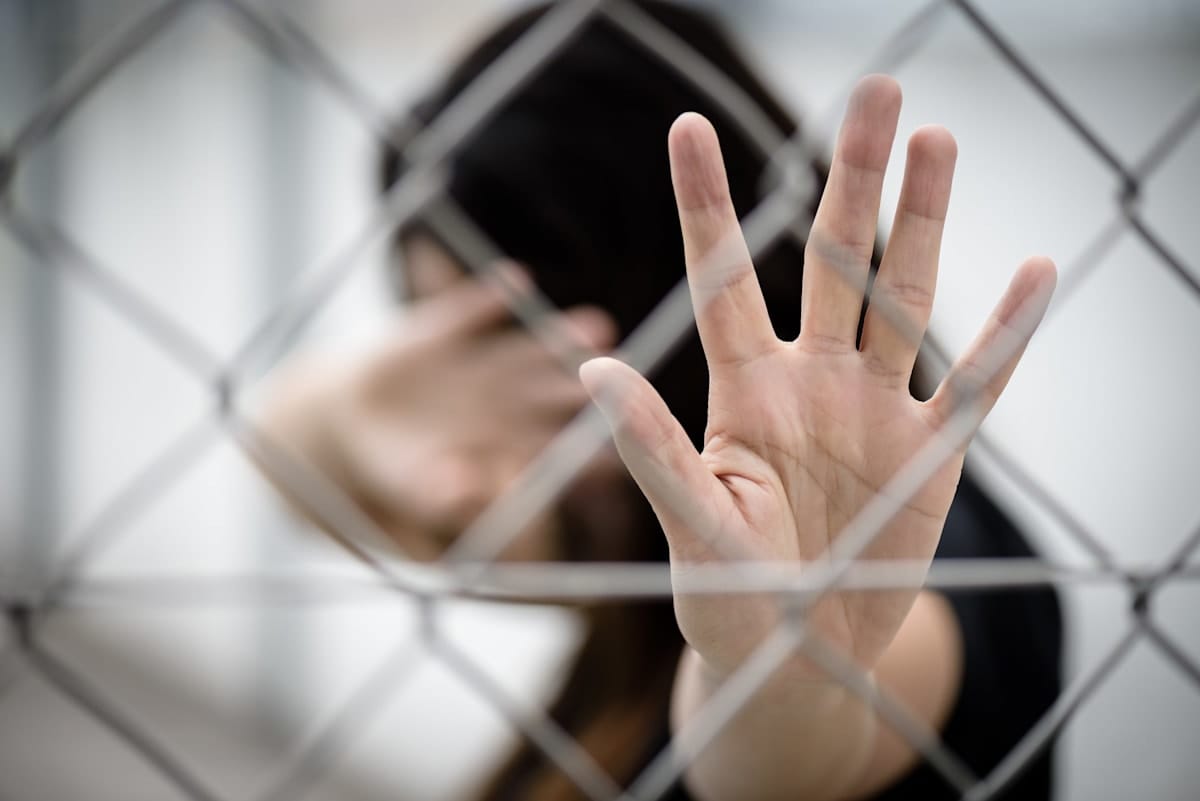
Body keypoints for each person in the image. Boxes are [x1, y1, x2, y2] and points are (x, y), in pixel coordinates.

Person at [257, 3, 1063, 800]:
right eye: (424, 352)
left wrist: (776, 671)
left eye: (488, 342)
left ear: (637, 320)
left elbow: (796, 746)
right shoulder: (629, 550)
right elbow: (275, 445)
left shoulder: (928, 576)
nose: (455, 457)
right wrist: (357, 406)